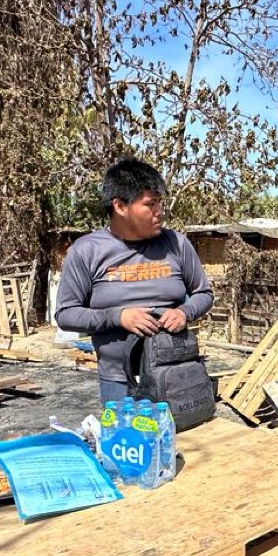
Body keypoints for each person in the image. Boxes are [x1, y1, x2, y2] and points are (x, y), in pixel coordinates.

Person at [55, 158, 213, 403]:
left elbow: (204, 293)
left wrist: (184, 312)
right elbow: (66, 315)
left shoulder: (177, 244)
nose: (159, 212)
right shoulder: (87, 251)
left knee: (180, 440)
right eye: (150, 204)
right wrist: (118, 316)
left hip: (176, 374)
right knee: (128, 441)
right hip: (119, 383)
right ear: (119, 206)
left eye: (160, 203)